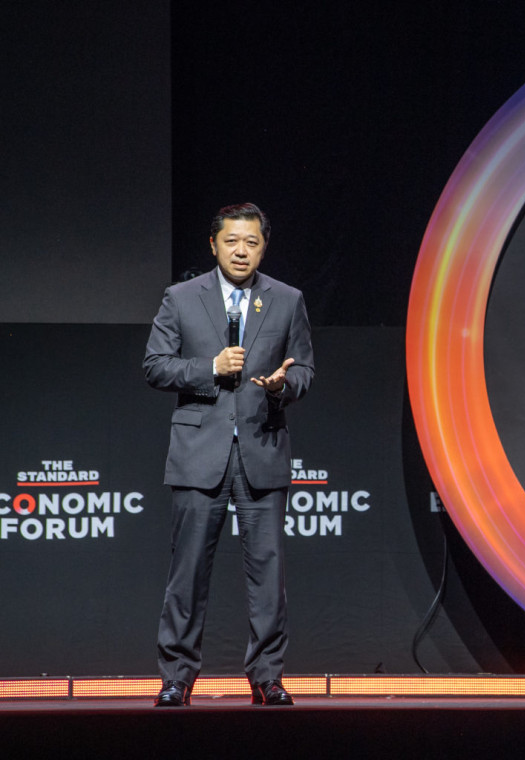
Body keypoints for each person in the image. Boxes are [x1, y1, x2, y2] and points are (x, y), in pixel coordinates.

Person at [144, 203, 314, 707]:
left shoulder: (287, 300)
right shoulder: (180, 298)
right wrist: (210, 367)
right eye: (232, 241)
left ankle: (267, 677)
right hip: (199, 453)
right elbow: (155, 366)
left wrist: (283, 386)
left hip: (263, 448)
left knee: (268, 575)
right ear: (213, 245)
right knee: (188, 573)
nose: (242, 251)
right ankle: (176, 678)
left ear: (264, 247)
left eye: (252, 242)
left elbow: (304, 370)